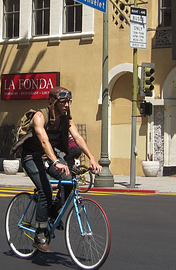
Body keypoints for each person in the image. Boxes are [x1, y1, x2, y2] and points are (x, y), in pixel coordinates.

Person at [20, 86, 101, 254]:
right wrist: (56, 160)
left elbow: (78, 138)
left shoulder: (66, 119)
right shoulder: (40, 116)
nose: (66, 106)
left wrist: (92, 158)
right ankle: (40, 235)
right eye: (63, 102)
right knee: (45, 191)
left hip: (49, 157)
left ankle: (51, 212)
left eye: (68, 102)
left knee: (69, 182)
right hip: (32, 157)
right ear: (53, 102)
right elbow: (44, 141)